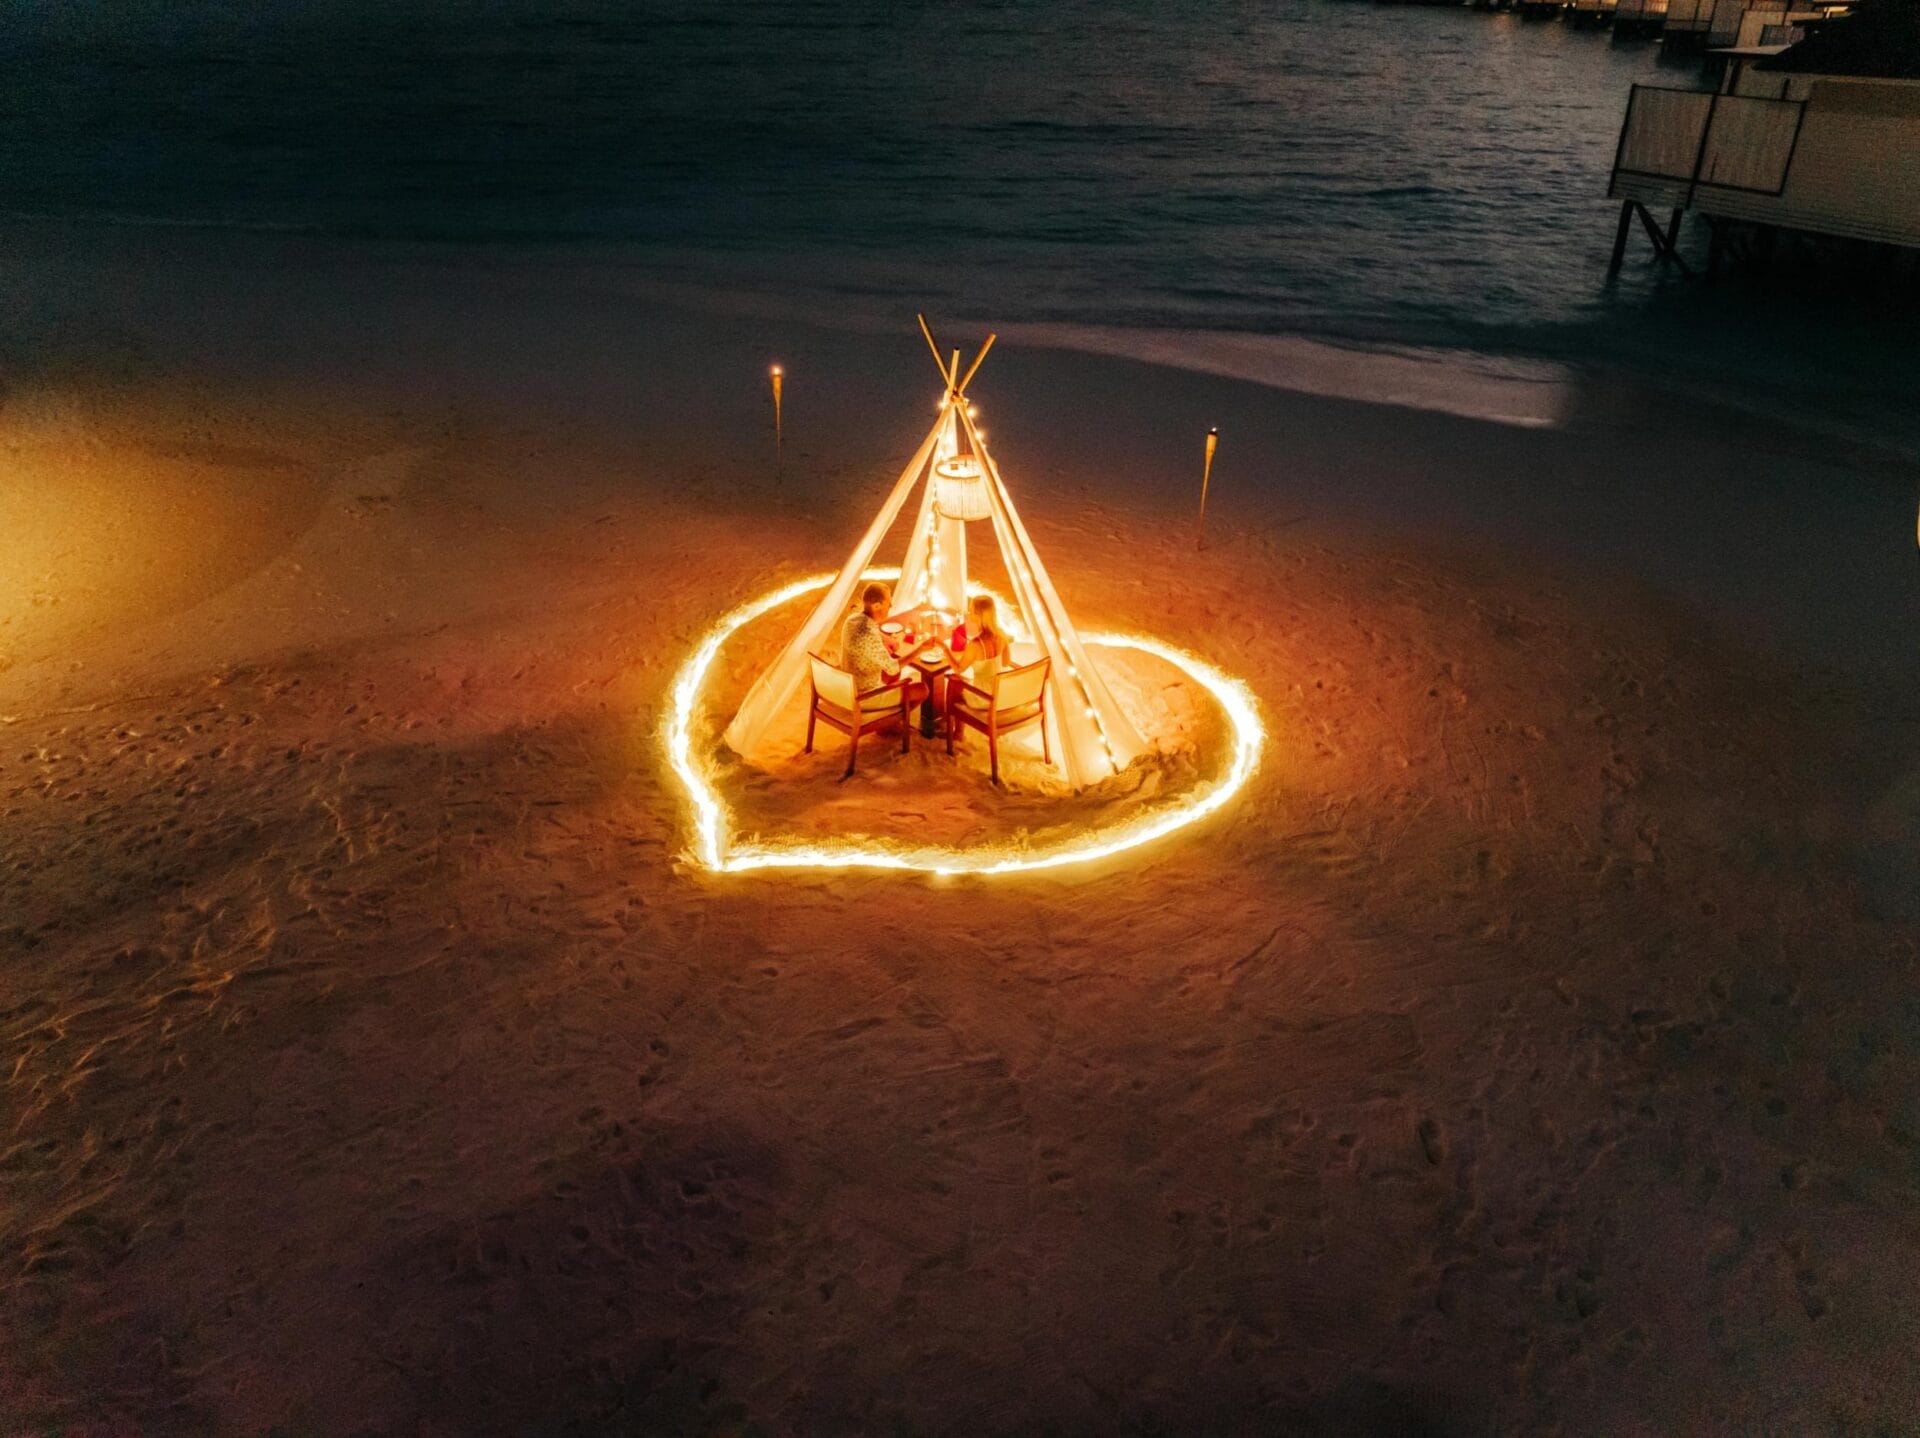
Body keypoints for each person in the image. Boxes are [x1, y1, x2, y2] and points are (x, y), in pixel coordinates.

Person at [841, 580, 928, 711]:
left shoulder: (852, 619)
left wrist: (886, 638)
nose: (891, 605)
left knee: (891, 672)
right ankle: (891, 722)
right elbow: (892, 668)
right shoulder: (868, 634)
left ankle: (888, 712)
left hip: (848, 687)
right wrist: (922, 649)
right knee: (922, 689)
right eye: (888, 602)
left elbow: (870, 629)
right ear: (876, 606)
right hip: (865, 696)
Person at [940, 593, 1005, 718]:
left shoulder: (976, 645)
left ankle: (955, 731)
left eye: (971, 611)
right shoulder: (1001, 636)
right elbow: (1006, 662)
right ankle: (957, 730)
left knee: (954, 683)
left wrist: (944, 648)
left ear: (978, 616)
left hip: (984, 699)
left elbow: (958, 669)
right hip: (999, 692)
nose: (968, 614)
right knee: (965, 682)